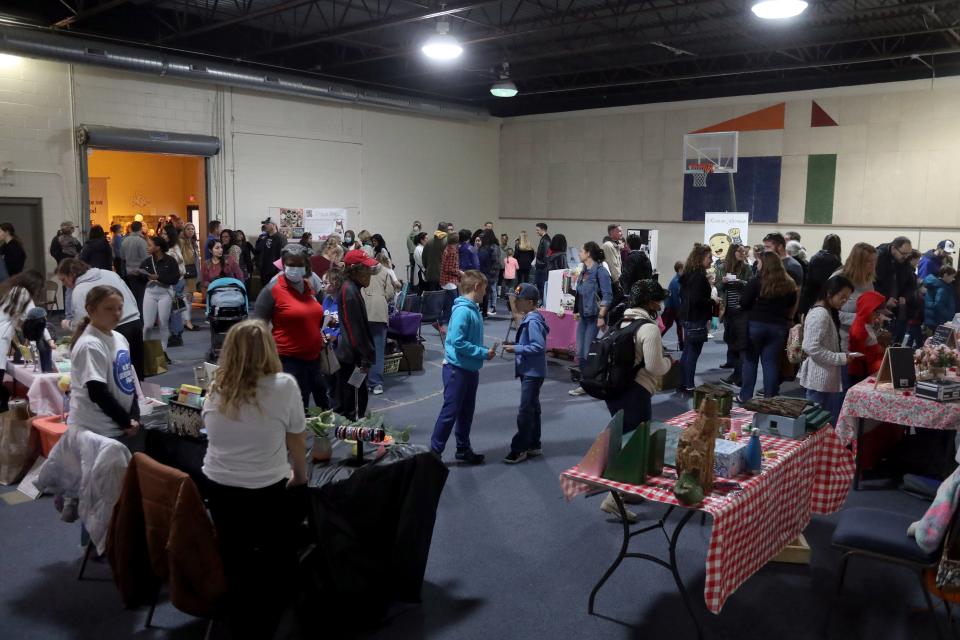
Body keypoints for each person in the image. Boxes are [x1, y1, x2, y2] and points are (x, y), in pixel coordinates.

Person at [200, 319, 306, 639]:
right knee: (280, 550)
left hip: (217, 487)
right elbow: (297, 441)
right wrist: (299, 477)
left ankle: (240, 609)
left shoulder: (217, 387)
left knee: (234, 553)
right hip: (266, 490)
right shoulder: (284, 385)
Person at [253, 245, 329, 410]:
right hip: (288, 360)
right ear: (284, 265)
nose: (295, 269)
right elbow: (256, 327)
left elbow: (322, 310)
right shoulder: (272, 290)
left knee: (321, 398)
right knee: (296, 406)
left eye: (299, 265)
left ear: (306, 266)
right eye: (290, 264)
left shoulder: (309, 287)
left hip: (314, 357)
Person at [430, 270, 495, 464]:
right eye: (484, 290)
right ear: (476, 287)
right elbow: (457, 342)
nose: (485, 294)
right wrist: (483, 352)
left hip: (469, 368)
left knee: (466, 411)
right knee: (450, 411)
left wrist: (481, 352)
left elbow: (468, 340)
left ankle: (463, 448)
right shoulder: (463, 311)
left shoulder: (472, 309)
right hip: (456, 369)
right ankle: (434, 453)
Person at [68, 285, 141, 451]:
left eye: (120, 308)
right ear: (91, 310)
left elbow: (128, 380)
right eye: (109, 309)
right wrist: (126, 421)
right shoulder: (90, 345)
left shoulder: (120, 338)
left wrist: (134, 416)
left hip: (120, 426)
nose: (117, 314)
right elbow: (97, 392)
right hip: (100, 430)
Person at [57, 258, 145, 381]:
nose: (63, 284)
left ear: (72, 275)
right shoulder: (109, 273)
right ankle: (140, 398)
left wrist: (68, 324)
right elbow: (131, 298)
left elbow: (83, 323)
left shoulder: (79, 290)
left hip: (114, 331)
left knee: (118, 376)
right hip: (135, 323)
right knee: (136, 373)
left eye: (63, 280)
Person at [738, 252, 798, 403]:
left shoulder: (756, 281)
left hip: (756, 325)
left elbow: (744, 302)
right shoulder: (789, 283)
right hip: (778, 327)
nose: (757, 265)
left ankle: (745, 397)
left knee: (750, 361)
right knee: (770, 363)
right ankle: (769, 398)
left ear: (765, 264)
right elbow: (791, 304)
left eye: (758, 263)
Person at [798, 275, 857, 426]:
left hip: (825, 378)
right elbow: (811, 347)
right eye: (842, 297)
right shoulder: (820, 314)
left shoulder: (826, 311)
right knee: (815, 424)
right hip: (819, 380)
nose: (844, 301)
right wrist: (841, 358)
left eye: (847, 298)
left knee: (823, 423)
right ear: (830, 292)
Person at [502, 283, 548, 464]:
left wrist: (517, 348)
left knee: (525, 411)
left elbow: (538, 346)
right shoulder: (531, 318)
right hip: (531, 371)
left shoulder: (533, 321)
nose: (515, 303)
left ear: (530, 303)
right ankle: (534, 444)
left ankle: (519, 448)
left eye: (518, 300)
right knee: (533, 408)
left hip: (532, 372)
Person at [0, 271, 52, 411]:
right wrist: (49, 339)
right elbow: (37, 319)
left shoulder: (11, 291)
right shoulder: (22, 293)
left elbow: (20, 320)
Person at [336, 250, 378, 420]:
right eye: (366, 270)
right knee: (354, 399)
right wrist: (363, 357)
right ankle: (354, 433)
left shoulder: (353, 288)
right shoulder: (350, 292)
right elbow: (355, 331)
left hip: (354, 354)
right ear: (355, 270)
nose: (369, 274)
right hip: (353, 357)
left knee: (357, 395)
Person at [569, 241, 613, 397]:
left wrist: (601, 316)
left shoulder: (601, 272)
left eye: (581, 251)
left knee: (588, 351)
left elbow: (607, 296)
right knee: (580, 351)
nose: (579, 253)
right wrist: (576, 310)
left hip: (595, 317)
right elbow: (579, 294)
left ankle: (588, 383)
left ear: (588, 253)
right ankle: (585, 382)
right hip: (584, 317)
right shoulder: (584, 271)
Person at [362, 253, 400, 396]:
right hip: (379, 313)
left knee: (361, 350)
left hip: (362, 312)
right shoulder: (384, 271)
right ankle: (376, 384)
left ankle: (360, 383)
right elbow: (390, 293)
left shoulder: (360, 271)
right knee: (378, 350)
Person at [678, 244, 713, 394]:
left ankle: (683, 382)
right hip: (695, 318)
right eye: (709, 258)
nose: (711, 261)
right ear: (700, 258)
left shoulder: (688, 274)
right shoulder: (698, 277)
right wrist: (713, 301)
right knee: (692, 353)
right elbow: (697, 300)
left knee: (687, 351)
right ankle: (689, 385)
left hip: (687, 316)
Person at [138, 235, 180, 359]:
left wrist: (159, 277)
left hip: (165, 294)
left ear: (158, 247)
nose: (147, 247)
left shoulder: (170, 261)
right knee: (148, 325)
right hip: (150, 293)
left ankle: (163, 351)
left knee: (163, 323)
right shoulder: (146, 262)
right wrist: (140, 275)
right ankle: (145, 351)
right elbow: (141, 278)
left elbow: (174, 279)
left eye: (150, 245)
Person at [716, 244, 752, 384]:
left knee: (741, 344)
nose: (743, 253)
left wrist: (740, 282)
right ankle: (736, 375)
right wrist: (723, 282)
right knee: (731, 342)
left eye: (743, 251)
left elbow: (751, 284)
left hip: (741, 310)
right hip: (727, 310)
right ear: (733, 252)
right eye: (740, 251)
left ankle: (740, 377)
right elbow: (718, 287)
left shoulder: (746, 267)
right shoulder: (722, 268)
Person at [848, 291, 892, 384]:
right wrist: (877, 349)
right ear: (867, 309)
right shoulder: (859, 328)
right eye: (876, 313)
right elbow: (859, 355)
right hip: (861, 372)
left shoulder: (867, 323)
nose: (877, 316)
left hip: (871, 364)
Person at [799, 234, 842, 317]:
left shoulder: (814, 258)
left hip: (811, 298)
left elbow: (808, 281)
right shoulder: (836, 262)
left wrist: (802, 307)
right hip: (826, 300)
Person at [120, 221, 148, 313]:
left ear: (131, 228)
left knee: (133, 298)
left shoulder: (124, 240)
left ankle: (134, 318)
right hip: (140, 273)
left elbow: (122, 257)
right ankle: (141, 321)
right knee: (141, 299)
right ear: (140, 229)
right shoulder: (141, 241)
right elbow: (145, 258)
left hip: (129, 272)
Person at [178, 223, 201, 331]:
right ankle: (188, 322)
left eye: (193, 229)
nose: (191, 230)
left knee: (189, 298)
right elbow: (179, 258)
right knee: (186, 298)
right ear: (184, 230)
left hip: (192, 273)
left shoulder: (193, 242)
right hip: (184, 273)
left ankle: (185, 320)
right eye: (188, 229)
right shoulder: (181, 242)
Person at [924, 266, 958, 331]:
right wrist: (949, 317)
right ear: (945, 275)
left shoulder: (940, 285)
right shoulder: (942, 288)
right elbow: (939, 305)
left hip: (935, 320)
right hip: (939, 321)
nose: (953, 279)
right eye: (952, 276)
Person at [661, 261, 684, 350]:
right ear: (680, 269)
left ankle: (682, 344)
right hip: (670, 307)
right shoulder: (675, 282)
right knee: (666, 325)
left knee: (678, 325)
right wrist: (679, 310)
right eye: (684, 269)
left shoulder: (679, 280)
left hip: (675, 307)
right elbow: (675, 299)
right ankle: (657, 341)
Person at [478, 230, 501, 316]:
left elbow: (495, 262)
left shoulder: (493, 247)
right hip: (484, 272)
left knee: (491, 290)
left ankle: (492, 307)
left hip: (489, 273)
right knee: (485, 292)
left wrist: (492, 274)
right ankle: (484, 309)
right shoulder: (485, 246)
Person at [422, 223, 448, 291]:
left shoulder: (429, 242)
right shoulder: (446, 242)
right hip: (443, 275)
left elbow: (424, 259)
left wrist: (428, 268)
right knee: (442, 298)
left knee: (432, 297)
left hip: (430, 274)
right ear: (446, 230)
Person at [602, 224, 624, 292]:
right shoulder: (608, 245)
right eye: (619, 231)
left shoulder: (615, 245)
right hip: (611, 283)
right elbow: (613, 266)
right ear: (611, 232)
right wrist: (619, 283)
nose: (622, 233)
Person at [534, 222, 551, 299]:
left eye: (538, 230)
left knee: (542, 287)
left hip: (542, 268)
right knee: (540, 287)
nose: (536, 232)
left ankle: (542, 305)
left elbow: (546, 257)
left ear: (543, 230)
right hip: (541, 267)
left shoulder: (546, 240)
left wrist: (538, 263)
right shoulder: (544, 239)